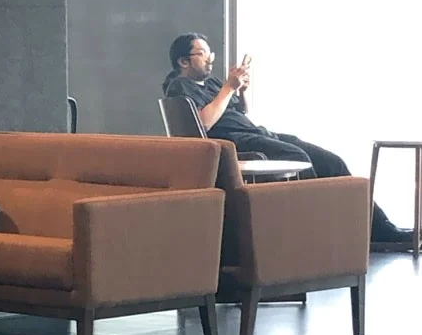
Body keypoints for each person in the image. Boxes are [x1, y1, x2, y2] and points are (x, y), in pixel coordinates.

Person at [162, 32, 410, 245]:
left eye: (210, 53)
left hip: (258, 133)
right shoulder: (179, 85)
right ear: (184, 61)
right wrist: (229, 87)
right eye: (203, 54)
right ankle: (320, 233)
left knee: (331, 161)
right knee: (298, 158)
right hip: (237, 142)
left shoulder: (213, 84)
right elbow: (204, 123)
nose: (210, 59)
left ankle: (380, 229)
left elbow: (241, 111)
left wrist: (241, 91)